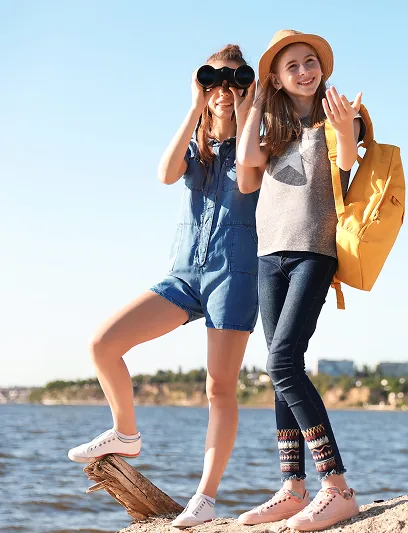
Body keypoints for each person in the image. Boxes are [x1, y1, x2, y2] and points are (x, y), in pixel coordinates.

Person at [67, 44, 262, 529]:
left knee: (219, 388)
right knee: (103, 343)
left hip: (233, 276)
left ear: (249, 86)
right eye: (214, 80)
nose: (223, 89)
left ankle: (206, 496)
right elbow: (165, 173)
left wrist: (245, 107)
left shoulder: (260, 144)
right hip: (184, 275)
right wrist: (196, 105)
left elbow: (247, 182)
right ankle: (126, 433)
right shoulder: (197, 148)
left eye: (234, 80)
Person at [235, 30, 362, 531]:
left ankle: (336, 486)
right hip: (270, 253)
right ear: (278, 77)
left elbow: (349, 164)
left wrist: (346, 128)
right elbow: (246, 160)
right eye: (293, 66)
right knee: (280, 371)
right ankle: (292, 486)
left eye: (312, 62)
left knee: (282, 360)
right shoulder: (273, 124)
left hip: (315, 250)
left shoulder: (339, 111)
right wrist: (260, 98)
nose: (306, 71)